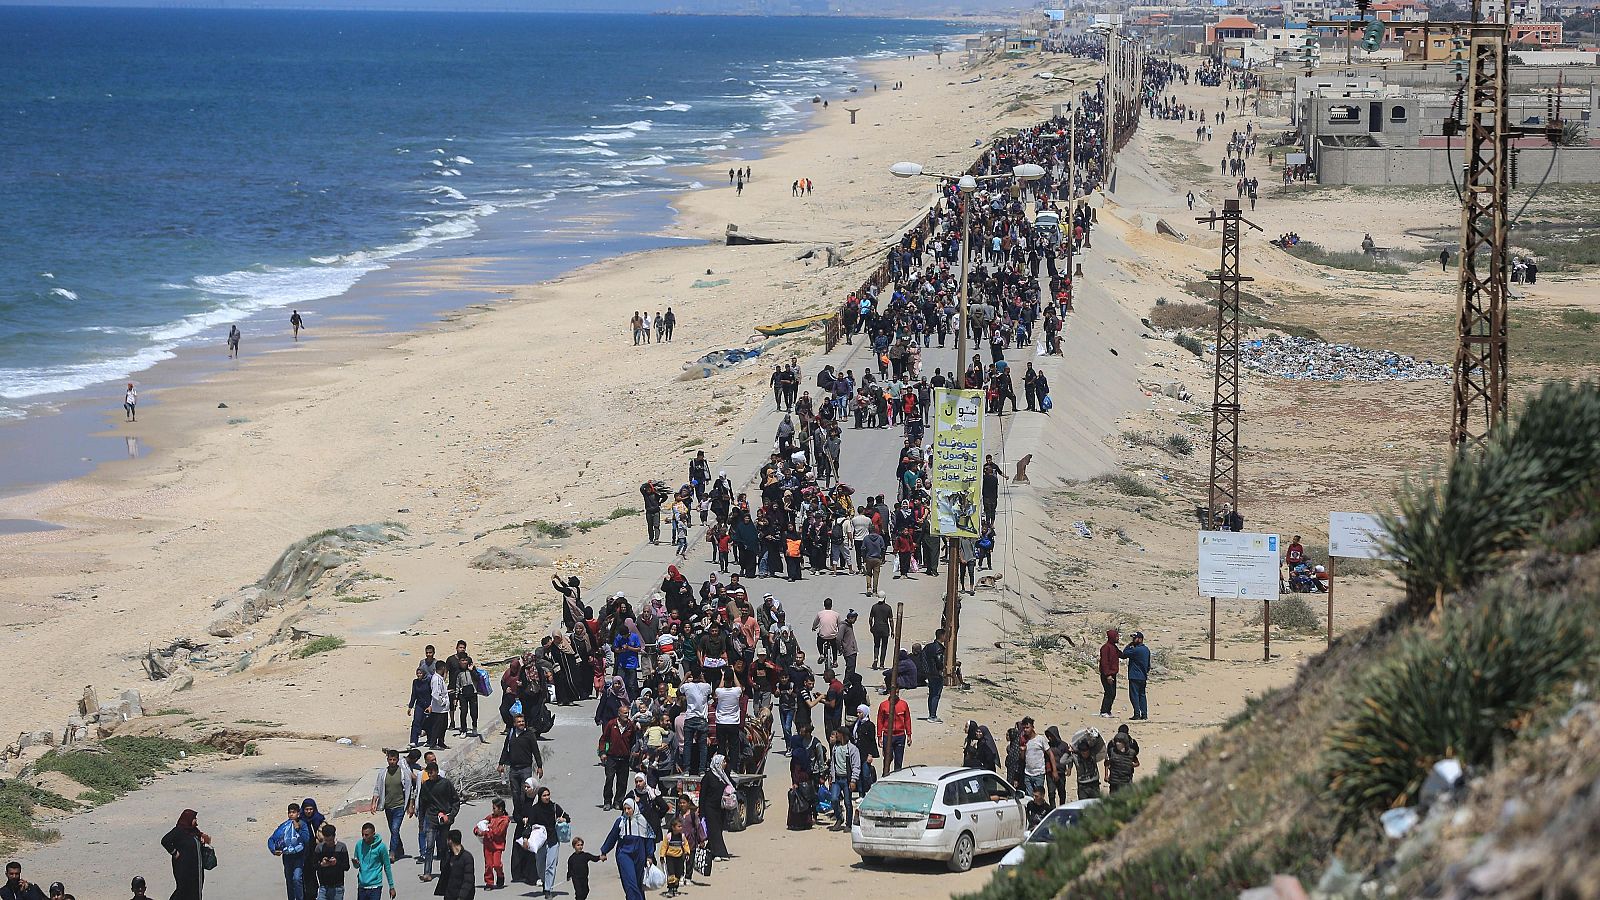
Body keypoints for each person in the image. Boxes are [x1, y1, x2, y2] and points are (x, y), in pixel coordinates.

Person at [598, 798, 656, 900]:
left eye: (629, 808)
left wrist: (650, 856)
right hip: (624, 854)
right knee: (630, 881)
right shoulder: (620, 822)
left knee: (638, 882)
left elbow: (649, 839)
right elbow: (612, 837)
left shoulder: (642, 821)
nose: (627, 811)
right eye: (625, 809)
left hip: (639, 855)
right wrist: (604, 851)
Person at [417, 761, 461, 882]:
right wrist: (421, 821)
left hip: (444, 821)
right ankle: (427, 873)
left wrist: (450, 816)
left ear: (436, 771)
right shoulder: (426, 786)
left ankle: (445, 871)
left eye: (431, 773)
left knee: (443, 847)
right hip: (431, 819)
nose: (430, 775)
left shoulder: (446, 784)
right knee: (429, 846)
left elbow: (455, 801)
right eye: (428, 773)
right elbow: (422, 804)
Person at [371, 749, 415, 861]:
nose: (392, 762)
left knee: (395, 829)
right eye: (390, 759)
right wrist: (373, 803)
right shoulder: (382, 774)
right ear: (387, 760)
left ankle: (392, 852)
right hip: (388, 806)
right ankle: (399, 848)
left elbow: (410, 791)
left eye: (394, 759)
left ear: (397, 760)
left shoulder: (404, 773)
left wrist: (410, 806)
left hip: (399, 806)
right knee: (393, 830)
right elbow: (377, 788)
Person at [162, 809, 209, 900]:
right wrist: (174, 852)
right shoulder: (179, 831)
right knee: (183, 891)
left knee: (195, 892)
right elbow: (165, 840)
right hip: (184, 870)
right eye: (194, 818)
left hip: (196, 871)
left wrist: (203, 841)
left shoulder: (194, 832)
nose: (196, 820)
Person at [269, 803, 313, 900]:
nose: (291, 815)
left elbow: (306, 839)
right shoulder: (284, 826)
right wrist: (273, 850)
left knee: (297, 879)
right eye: (290, 813)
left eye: (294, 812)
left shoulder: (302, 824)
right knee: (289, 880)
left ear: (298, 813)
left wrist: (298, 829)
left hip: (299, 856)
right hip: (287, 857)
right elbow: (272, 839)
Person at [698, 754, 733, 861]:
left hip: (720, 808)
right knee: (714, 830)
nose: (725, 764)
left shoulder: (723, 776)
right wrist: (701, 811)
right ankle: (720, 853)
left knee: (718, 829)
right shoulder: (708, 777)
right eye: (723, 762)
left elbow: (732, 786)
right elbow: (702, 795)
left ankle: (711, 850)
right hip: (710, 808)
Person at [827, 728, 861, 831]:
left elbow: (856, 766)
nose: (836, 736)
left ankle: (848, 823)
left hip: (847, 780)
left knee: (847, 802)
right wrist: (831, 776)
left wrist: (853, 780)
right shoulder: (835, 748)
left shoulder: (852, 749)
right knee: (834, 799)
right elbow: (833, 762)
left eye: (838, 734)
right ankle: (839, 818)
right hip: (837, 779)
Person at [353, 822, 397, 900]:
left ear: (373, 834)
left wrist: (391, 887)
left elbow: (387, 867)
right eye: (362, 834)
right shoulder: (359, 845)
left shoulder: (381, 847)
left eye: (366, 835)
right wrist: (355, 863)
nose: (364, 837)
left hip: (375, 886)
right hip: (362, 886)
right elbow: (357, 866)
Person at [474, 799, 509, 892]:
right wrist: (477, 831)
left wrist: (485, 832)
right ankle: (489, 882)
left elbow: (498, 832)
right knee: (488, 864)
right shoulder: (490, 817)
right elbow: (480, 824)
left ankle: (500, 875)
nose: (493, 810)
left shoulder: (505, 820)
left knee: (497, 864)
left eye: (494, 808)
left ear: (500, 809)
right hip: (488, 845)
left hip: (498, 845)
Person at [312, 823, 350, 900]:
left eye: (330, 840)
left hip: (338, 887)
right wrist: (321, 864)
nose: (328, 842)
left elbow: (346, 866)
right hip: (323, 887)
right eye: (326, 840)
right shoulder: (319, 848)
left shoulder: (341, 847)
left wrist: (336, 863)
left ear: (334, 836)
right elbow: (314, 865)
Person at [876, 690, 911, 772]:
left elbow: (907, 720)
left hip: (900, 736)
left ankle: (897, 777)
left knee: (899, 760)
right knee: (888, 758)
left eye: (897, 692)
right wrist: (879, 736)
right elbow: (880, 721)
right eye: (893, 692)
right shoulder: (883, 705)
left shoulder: (904, 704)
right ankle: (885, 775)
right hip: (887, 736)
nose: (895, 694)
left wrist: (909, 734)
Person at [1120, 631, 1152, 721]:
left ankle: (1137, 714)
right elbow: (1148, 664)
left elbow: (1124, 654)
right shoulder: (1146, 650)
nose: (1133, 640)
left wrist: (1129, 645)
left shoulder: (1136, 650)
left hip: (1134, 676)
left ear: (1140, 639)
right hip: (1143, 676)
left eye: (1135, 638)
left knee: (1134, 695)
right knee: (1142, 695)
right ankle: (1144, 714)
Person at [437, 830, 476, 900]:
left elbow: (468, 880)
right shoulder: (448, 857)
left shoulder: (467, 857)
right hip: (450, 895)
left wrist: (461, 897)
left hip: (464, 896)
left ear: (450, 841)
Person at [1019, 717, 1050, 796]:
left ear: (1032, 727)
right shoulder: (1024, 741)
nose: (1025, 730)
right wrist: (1022, 750)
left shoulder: (1040, 739)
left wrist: (1055, 770)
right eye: (1024, 728)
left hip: (1039, 773)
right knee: (1029, 796)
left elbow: (1050, 754)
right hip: (1028, 773)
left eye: (1027, 727)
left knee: (1038, 796)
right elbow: (1022, 758)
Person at [1105, 724, 1141, 793]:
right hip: (1114, 777)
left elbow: (1135, 760)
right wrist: (1106, 775)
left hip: (1126, 777)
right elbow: (1108, 761)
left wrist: (1128, 763)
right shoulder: (1112, 746)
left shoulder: (1132, 744)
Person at [924, 629, 945, 722]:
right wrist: (941, 669)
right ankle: (932, 716)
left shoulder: (928, 647)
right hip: (937, 674)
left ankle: (931, 714)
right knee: (936, 695)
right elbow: (939, 661)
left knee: (931, 694)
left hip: (929, 674)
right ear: (942, 636)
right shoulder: (939, 648)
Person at [1098, 629, 1120, 719]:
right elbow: (1104, 663)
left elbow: (1121, 654)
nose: (1118, 638)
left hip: (1113, 674)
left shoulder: (1114, 647)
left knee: (1113, 693)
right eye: (1117, 636)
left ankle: (1108, 711)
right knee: (1109, 693)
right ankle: (1104, 711)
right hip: (1107, 675)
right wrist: (1108, 675)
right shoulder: (1105, 648)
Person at [867, 597, 892, 669]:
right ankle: (881, 664)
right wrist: (893, 630)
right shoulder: (888, 608)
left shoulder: (874, 607)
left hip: (876, 628)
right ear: (885, 598)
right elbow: (890, 620)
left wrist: (871, 627)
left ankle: (875, 658)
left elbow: (870, 618)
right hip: (885, 629)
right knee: (884, 646)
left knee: (876, 645)